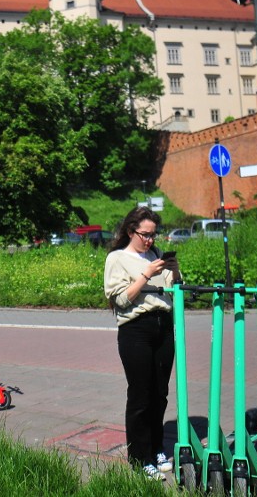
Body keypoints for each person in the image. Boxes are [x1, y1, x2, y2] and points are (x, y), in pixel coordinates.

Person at [104, 206, 181, 481]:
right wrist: (146, 273)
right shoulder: (117, 258)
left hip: (163, 324)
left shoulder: (157, 254)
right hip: (136, 329)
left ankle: (157, 449)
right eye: (145, 235)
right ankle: (139, 457)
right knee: (140, 395)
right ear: (130, 231)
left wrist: (175, 269)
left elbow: (174, 289)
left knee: (160, 393)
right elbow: (121, 300)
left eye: (153, 235)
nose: (150, 240)